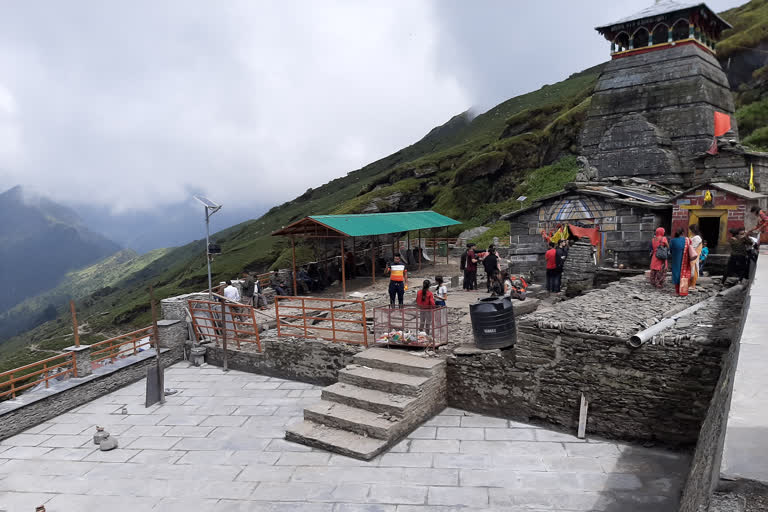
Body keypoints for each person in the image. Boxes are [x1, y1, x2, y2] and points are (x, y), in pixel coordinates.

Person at [669, 228, 694, 296]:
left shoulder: (673, 241)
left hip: (676, 259)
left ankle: (677, 291)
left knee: (676, 273)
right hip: (685, 260)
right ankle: (683, 291)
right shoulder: (688, 240)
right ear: (683, 233)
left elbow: (670, 250)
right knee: (684, 273)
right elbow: (691, 247)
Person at [689, 224, 703, 289]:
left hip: (694, 256)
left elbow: (693, 247)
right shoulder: (693, 237)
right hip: (691, 255)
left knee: (694, 269)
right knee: (691, 269)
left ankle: (693, 285)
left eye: (690, 230)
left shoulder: (697, 238)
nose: (690, 231)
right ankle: (690, 284)